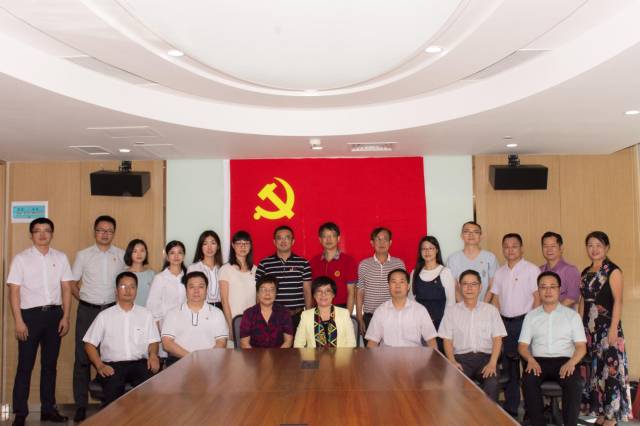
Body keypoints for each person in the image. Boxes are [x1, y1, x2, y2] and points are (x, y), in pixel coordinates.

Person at [7, 218, 73, 426]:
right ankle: (20, 413)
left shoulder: (61, 258)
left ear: (52, 234)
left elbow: (66, 288)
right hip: (30, 317)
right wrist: (18, 321)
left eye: (47, 230)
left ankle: (48, 409)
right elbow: (14, 292)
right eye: (38, 231)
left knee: (50, 366)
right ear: (31, 235)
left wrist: (66, 316)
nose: (42, 234)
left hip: (55, 316)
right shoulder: (21, 259)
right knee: (25, 366)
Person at [70, 215, 125, 422]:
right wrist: (85, 299)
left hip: (111, 311)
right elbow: (72, 283)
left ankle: (108, 403)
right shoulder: (83, 255)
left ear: (114, 233)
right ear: (95, 232)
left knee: (111, 356)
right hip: (88, 311)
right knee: (82, 359)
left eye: (109, 231)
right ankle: (81, 405)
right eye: (101, 230)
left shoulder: (121, 255)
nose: (105, 234)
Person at [83, 272, 160, 407]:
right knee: (113, 393)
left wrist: (153, 355)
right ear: (116, 290)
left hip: (139, 364)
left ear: (136, 290)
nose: (128, 290)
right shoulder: (104, 316)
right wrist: (100, 365)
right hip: (113, 366)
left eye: (132, 287)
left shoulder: (146, 314)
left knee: (150, 391)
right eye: (123, 286)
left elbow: (153, 340)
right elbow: (89, 344)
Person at [519, 271, 586, 426]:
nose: (548, 291)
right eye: (543, 287)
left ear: (559, 289)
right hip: (538, 361)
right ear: (538, 290)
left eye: (552, 287)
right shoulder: (531, 316)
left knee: (574, 383)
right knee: (528, 380)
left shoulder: (572, 316)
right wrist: (530, 359)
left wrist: (572, 363)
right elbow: (522, 346)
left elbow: (581, 347)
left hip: (565, 361)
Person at [579, 231, 630, 424]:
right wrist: (579, 327)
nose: (594, 249)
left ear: (607, 247)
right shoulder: (585, 272)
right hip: (589, 329)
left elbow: (618, 301)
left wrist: (613, 329)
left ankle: (612, 416)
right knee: (595, 371)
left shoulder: (613, 271)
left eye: (598, 245)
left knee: (610, 371)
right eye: (590, 245)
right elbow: (582, 301)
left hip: (608, 328)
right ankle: (600, 412)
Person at [490, 233, 540, 417]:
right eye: (506, 246)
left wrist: (532, 323)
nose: (510, 250)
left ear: (521, 248)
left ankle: (530, 410)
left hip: (525, 322)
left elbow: (537, 299)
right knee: (509, 368)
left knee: (528, 368)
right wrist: (498, 322)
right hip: (505, 324)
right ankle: (511, 408)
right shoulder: (499, 272)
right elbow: (495, 299)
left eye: (514, 246)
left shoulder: (532, 270)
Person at [438, 270, 506, 401]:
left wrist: (493, 363)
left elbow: (498, 339)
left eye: (474, 284)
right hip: (461, 360)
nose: (469, 288)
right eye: (465, 284)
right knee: (453, 383)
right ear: (459, 287)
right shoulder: (451, 311)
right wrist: (452, 361)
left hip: (486, 359)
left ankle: (487, 414)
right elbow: (447, 340)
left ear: (480, 287)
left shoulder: (491, 310)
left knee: (492, 383)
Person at [161, 272, 228, 366]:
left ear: (206, 289)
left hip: (209, 362)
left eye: (201, 287)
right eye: (192, 287)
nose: (196, 291)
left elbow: (221, 342)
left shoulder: (217, 313)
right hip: (179, 362)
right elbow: (167, 343)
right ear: (186, 290)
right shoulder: (173, 313)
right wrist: (193, 358)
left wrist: (205, 360)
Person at [255, 226, 312, 330]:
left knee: (299, 341)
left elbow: (307, 291)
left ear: (293, 241)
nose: (283, 241)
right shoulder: (264, 264)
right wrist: (260, 316)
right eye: (279, 238)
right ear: (274, 241)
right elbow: (259, 292)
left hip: (297, 316)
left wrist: (309, 316)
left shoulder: (303, 263)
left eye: (287, 238)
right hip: (272, 316)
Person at [356, 227, 406, 344]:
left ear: (390, 242)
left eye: (385, 239)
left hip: (394, 316)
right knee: (371, 352)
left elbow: (404, 291)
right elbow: (360, 291)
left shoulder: (398, 264)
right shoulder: (364, 265)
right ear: (372, 243)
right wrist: (359, 316)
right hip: (370, 317)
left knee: (393, 352)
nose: (382, 242)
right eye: (378, 239)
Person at [365, 269, 437, 348]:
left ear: (408, 286)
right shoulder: (380, 311)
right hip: (387, 355)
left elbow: (431, 340)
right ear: (388, 286)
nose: (397, 286)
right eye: (394, 282)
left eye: (401, 282)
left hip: (413, 354)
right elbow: (372, 342)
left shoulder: (420, 310)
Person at [410, 235, 456, 351]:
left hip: (441, 325)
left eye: (431, 248)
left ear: (437, 250)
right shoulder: (414, 273)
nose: (427, 252)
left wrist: (446, 326)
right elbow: (411, 301)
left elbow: (451, 302)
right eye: (424, 249)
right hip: (420, 325)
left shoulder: (445, 272)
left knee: (439, 358)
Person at [146, 241, 187, 358]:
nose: (176, 256)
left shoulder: (189, 276)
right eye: (172, 253)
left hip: (185, 327)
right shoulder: (160, 278)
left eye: (180, 253)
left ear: (184, 256)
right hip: (165, 328)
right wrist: (159, 334)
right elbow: (153, 308)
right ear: (167, 256)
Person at [294, 276, 357, 348]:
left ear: (333, 294)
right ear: (314, 295)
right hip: (313, 355)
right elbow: (298, 345)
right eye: (319, 291)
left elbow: (351, 344)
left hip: (341, 355)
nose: (323, 294)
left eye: (328, 291)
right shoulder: (305, 315)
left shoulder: (344, 313)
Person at [309, 222, 357, 312]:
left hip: (341, 309)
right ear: (320, 239)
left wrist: (347, 316)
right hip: (318, 308)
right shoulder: (313, 262)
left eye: (332, 236)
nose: (329, 239)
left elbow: (351, 293)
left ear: (338, 238)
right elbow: (311, 291)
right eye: (325, 236)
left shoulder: (348, 261)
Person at [446, 221, 498, 303]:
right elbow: (454, 287)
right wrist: (465, 307)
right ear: (461, 236)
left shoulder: (490, 257)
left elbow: (492, 286)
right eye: (467, 231)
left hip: (485, 306)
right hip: (461, 307)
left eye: (475, 232)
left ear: (481, 236)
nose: (471, 235)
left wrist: (483, 306)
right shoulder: (453, 259)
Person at [219, 231, 257, 340]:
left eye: (246, 243)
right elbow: (224, 301)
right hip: (233, 321)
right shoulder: (226, 269)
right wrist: (231, 326)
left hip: (252, 323)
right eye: (239, 243)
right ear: (233, 245)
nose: (243, 246)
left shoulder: (255, 269)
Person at [239, 275, 294, 348]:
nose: (267, 293)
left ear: (276, 293)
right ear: (257, 293)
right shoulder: (248, 314)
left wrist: (278, 355)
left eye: (271, 290)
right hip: (254, 354)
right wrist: (256, 356)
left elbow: (288, 341)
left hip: (279, 354)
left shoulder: (284, 313)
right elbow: (244, 343)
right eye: (263, 290)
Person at [540, 231, 580, 308]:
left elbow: (572, 298)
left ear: (561, 248)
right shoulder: (539, 270)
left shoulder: (570, 270)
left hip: (564, 314)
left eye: (553, 246)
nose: (549, 250)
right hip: (543, 313)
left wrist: (552, 311)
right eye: (545, 246)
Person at [187, 230, 223, 309]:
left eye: (213, 243)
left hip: (220, 309)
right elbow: (189, 293)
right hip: (200, 308)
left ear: (218, 246)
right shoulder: (193, 268)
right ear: (201, 247)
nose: (209, 247)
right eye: (205, 244)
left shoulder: (223, 268)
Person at [124, 239, 155, 307]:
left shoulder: (152, 274)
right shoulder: (123, 274)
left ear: (146, 253)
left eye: (142, 251)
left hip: (148, 311)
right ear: (129, 253)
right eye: (135, 251)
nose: (139, 254)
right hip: (129, 312)